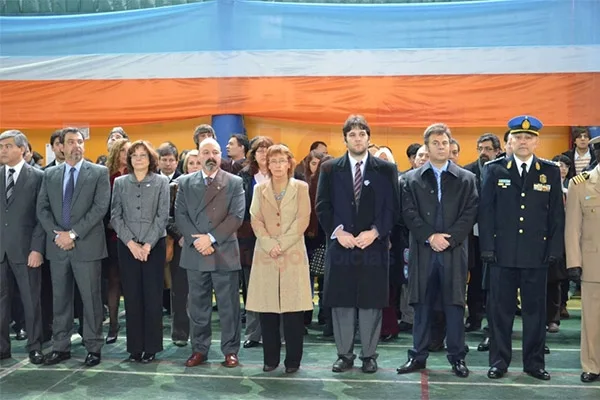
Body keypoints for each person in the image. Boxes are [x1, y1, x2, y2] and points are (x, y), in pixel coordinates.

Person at [479, 115, 564, 381]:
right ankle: (499, 362)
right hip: (501, 255)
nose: (523, 141)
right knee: (500, 313)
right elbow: (486, 212)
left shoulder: (549, 171)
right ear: (510, 142)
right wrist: (487, 248)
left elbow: (556, 217)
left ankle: (534, 363)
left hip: (536, 256)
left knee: (535, 314)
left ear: (537, 142)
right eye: (518, 137)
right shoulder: (494, 170)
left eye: (528, 138)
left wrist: (554, 251)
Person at [316, 115, 399, 374]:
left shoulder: (385, 169)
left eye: (362, 134)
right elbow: (322, 206)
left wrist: (375, 232)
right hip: (341, 247)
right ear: (345, 139)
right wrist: (338, 232)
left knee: (370, 302)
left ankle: (369, 355)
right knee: (342, 302)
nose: (357, 138)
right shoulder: (329, 168)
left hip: (373, 247)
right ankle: (344, 354)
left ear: (368, 138)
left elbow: (392, 208)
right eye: (352, 134)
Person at [396, 123, 478, 378]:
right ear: (427, 147)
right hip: (424, 251)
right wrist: (430, 236)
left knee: (455, 305)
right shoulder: (410, 179)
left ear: (450, 146)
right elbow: (408, 213)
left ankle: (457, 357)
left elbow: (471, 212)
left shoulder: (467, 179)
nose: (441, 147)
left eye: (444, 143)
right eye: (435, 143)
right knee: (421, 305)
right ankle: (418, 356)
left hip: (454, 252)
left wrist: (449, 239)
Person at [37, 127, 110, 367]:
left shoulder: (99, 172)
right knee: (60, 299)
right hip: (58, 247)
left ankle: (93, 347)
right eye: (71, 142)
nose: (76, 145)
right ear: (60, 146)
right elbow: (42, 209)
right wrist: (58, 235)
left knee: (90, 299)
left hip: (87, 246)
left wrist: (73, 234)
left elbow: (100, 208)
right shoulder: (50, 175)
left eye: (80, 141)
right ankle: (61, 347)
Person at [175, 137, 245, 368]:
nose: (211, 156)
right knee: (197, 307)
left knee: (229, 307)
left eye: (215, 152)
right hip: (195, 253)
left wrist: (211, 239)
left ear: (220, 157)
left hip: (224, 252)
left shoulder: (234, 182)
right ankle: (199, 350)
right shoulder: (185, 182)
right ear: (199, 156)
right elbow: (180, 216)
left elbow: (237, 216)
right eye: (206, 152)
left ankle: (230, 350)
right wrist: (198, 242)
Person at [246, 144, 313, 373]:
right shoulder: (259, 190)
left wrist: (281, 244)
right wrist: (268, 243)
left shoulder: (301, 188)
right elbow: (255, 219)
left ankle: (293, 361)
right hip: (265, 254)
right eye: (273, 161)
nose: (277, 165)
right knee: (267, 310)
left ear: (289, 163)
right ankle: (270, 359)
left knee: (293, 311)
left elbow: (303, 219)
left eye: (281, 161)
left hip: (292, 251)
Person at [111, 141, 170, 363]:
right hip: (127, 248)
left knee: (152, 297)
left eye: (143, 155)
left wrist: (146, 245)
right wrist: (131, 244)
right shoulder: (120, 183)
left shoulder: (161, 182)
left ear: (150, 159)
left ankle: (151, 347)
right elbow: (115, 216)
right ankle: (134, 347)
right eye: (134, 155)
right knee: (133, 297)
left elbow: (163, 215)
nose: (138, 159)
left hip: (153, 247)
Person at [0, 130, 45, 364]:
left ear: (22, 148)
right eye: (1, 147)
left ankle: (35, 345)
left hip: (27, 250)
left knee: (31, 300)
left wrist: (37, 249)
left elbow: (41, 218)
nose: (3, 151)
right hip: (1, 250)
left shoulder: (37, 177)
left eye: (8, 146)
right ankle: (2, 347)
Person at [565, 130, 600, 383]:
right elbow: (573, 228)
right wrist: (574, 263)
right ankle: (592, 365)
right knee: (592, 320)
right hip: (593, 263)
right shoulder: (580, 184)